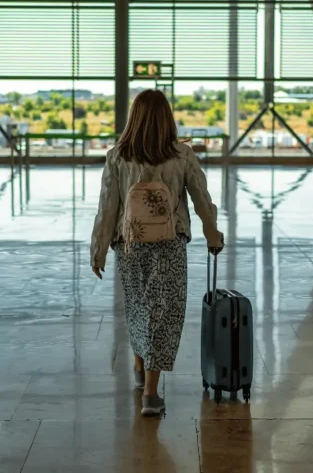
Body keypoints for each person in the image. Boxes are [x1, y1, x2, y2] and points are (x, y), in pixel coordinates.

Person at [90, 89, 223, 417]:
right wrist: (212, 233)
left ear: (133, 118)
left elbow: (108, 207)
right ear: (168, 118)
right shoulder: (182, 155)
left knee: (139, 307)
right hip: (170, 244)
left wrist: (99, 249)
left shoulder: (118, 156)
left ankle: (140, 368)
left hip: (130, 244)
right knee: (162, 314)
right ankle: (151, 394)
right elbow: (201, 200)